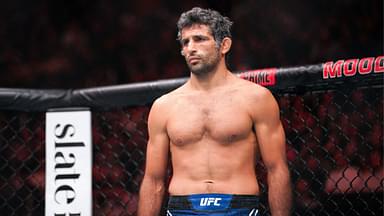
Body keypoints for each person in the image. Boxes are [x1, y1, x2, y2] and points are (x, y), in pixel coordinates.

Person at [138, 7, 291, 216]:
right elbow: (153, 180)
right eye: (186, 42)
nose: (190, 48)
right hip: (182, 209)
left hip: (239, 207)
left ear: (224, 45)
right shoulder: (164, 106)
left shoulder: (256, 98)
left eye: (199, 39)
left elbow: (277, 169)